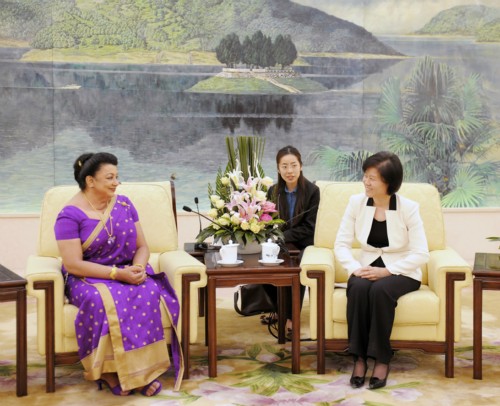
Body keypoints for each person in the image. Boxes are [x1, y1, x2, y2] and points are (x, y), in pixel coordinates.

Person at [54, 152, 183, 396]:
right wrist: (116, 274)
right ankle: (110, 371)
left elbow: (142, 247)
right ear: (90, 181)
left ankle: (142, 372)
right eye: (110, 177)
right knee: (101, 299)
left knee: (148, 290)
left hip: (126, 269)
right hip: (87, 276)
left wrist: (137, 267)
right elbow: (73, 264)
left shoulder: (123, 204)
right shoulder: (69, 215)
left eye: (117, 176)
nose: (116, 182)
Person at [334, 151, 429, 390]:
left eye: (373, 178)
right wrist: (355, 269)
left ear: (389, 182)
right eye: (365, 176)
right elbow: (341, 244)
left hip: (402, 270)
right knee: (357, 287)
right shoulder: (356, 202)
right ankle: (359, 358)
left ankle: (382, 358)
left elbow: (421, 253)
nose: (366, 182)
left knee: (380, 291)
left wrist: (387, 272)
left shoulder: (409, 208)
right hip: (366, 265)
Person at [262, 145, 320, 338]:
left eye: (293, 165)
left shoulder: (313, 191)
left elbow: (310, 227)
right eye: (284, 166)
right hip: (280, 243)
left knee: (298, 265)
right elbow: (267, 221)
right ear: (278, 169)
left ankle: (290, 318)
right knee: (261, 263)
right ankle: (279, 310)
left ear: (301, 166)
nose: (289, 171)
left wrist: (282, 236)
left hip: (304, 243)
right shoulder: (273, 192)